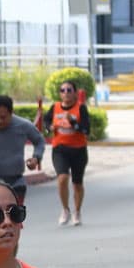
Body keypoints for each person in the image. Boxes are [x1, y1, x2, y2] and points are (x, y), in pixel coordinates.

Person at [43, 80, 90, 226]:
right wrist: (49, 127)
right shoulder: (55, 107)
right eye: (62, 90)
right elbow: (46, 122)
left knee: (77, 183)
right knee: (62, 178)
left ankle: (77, 212)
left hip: (78, 150)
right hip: (60, 149)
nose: (66, 93)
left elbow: (86, 130)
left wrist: (73, 122)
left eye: (69, 90)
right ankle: (65, 209)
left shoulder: (80, 108)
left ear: (75, 93)